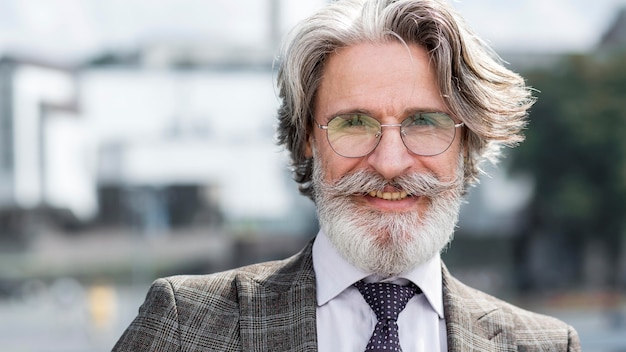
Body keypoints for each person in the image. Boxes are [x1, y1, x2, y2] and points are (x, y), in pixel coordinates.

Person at [113, 0, 581, 351]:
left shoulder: (545, 345)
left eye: (424, 122)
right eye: (354, 124)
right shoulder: (187, 326)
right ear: (307, 141)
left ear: (467, 143)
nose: (391, 163)